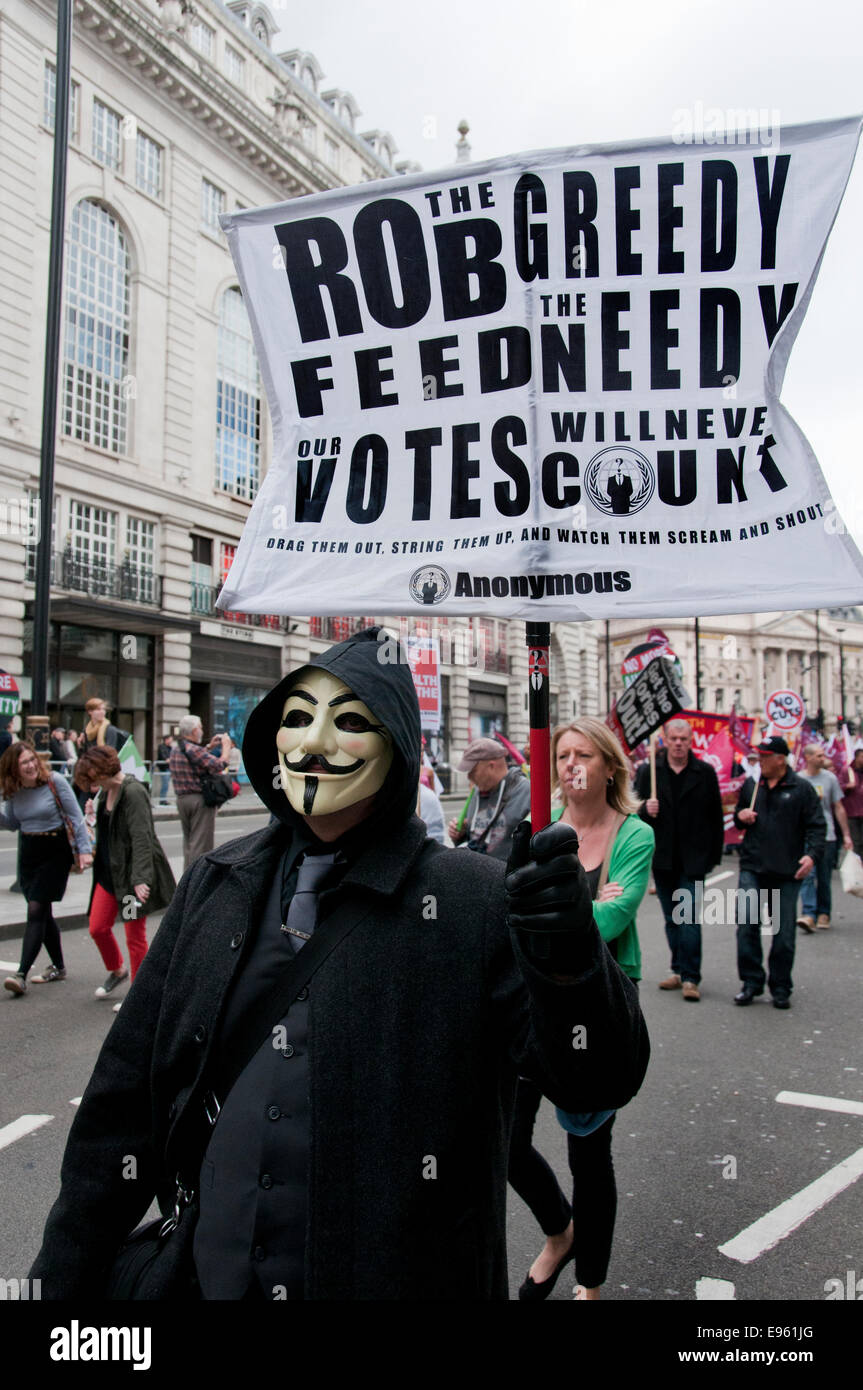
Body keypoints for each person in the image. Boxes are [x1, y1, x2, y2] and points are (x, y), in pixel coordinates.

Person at [31, 627, 648, 1301]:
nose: (314, 743)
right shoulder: (215, 883)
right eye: (297, 718)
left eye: (349, 722)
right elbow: (121, 1113)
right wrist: (59, 1286)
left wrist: (566, 950)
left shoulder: (474, 901)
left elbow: (597, 1075)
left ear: (399, 746)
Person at [509, 717, 654, 1301]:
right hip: (531, 1001)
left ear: (610, 766)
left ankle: (590, 1284)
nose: (571, 764)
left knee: (588, 1153)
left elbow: (611, 922)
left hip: (599, 1005)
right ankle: (559, 1231)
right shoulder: (538, 828)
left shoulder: (634, 835)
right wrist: (578, 910)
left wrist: (568, 917)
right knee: (507, 1140)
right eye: (563, 754)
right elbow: (516, 913)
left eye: (585, 755)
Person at [73, 746, 176, 1008]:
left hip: (130, 878)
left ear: (101, 771)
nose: (91, 784)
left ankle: (137, 994)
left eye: (92, 777)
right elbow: (109, 832)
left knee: (134, 935)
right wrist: (91, 816)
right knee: (97, 927)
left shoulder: (133, 792)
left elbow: (142, 838)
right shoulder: (107, 792)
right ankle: (118, 970)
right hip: (109, 876)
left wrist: (141, 879)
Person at [634, 719, 724, 1001]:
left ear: (690, 740)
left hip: (694, 858)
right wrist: (644, 809)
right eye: (673, 738)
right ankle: (677, 968)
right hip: (662, 857)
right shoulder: (649, 771)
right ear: (665, 739)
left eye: (684, 739)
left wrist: (713, 857)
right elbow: (631, 812)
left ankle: (690, 977)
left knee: (688, 918)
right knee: (671, 919)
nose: (678, 744)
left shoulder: (704, 772)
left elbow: (715, 816)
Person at [733, 736, 825, 1009]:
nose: (759, 762)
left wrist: (811, 856)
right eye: (758, 757)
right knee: (746, 927)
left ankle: (781, 985)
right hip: (752, 866)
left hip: (787, 871)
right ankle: (751, 982)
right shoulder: (752, 785)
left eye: (764, 757)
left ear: (780, 759)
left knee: (783, 932)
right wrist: (741, 817)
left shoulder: (802, 789)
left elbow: (817, 827)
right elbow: (738, 813)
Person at [1, 741, 93, 996]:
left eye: (32, 760)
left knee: (36, 908)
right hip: (29, 852)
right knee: (43, 912)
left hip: (55, 850)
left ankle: (20, 974)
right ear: (14, 769)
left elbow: (75, 816)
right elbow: (11, 823)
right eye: (23, 763)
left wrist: (84, 851)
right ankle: (59, 966)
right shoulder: (14, 789)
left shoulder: (54, 781)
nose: (30, 766)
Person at [796, 744, 852, 932]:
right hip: (804, 835)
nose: (823, 758)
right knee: (806, 875)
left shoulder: (830, 779)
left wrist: (845, 834)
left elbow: (838, 807)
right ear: (808, 757)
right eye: (819, 755)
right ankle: (809, 914)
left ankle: (824, 913)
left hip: (827, 836)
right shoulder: (798, 779)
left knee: (824, 876)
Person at [447, 737, 531, 860]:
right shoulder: (477, 790)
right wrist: (460, 834)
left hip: (506, 876)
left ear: (491, 766)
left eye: (472, 771)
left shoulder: (526, 792)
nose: (469, 777)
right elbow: (475, 837)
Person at [169, 715, 232, 870]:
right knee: (200, 845)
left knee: (189, 843)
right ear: (195, 730)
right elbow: (220, 764)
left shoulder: (177, 748)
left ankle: (187, 877)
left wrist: (209, 747)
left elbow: (195, 758)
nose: (202, 731)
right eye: (201, 728)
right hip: (199, 800)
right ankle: (195, 880)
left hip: (182, 800)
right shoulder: (194, 750)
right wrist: (226, 747)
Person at [842, 747, 863, 860]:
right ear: (856, 758)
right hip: (852, 812)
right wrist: (847, 786)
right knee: (856, 841)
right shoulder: (847, 771)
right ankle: (858, 864)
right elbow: (838, 787)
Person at [155, 734, 174, 805]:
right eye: (170, 739)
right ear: (166, 739)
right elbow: (164, 757)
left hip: (169, 768)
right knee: (165, 784)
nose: (171, 740)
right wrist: (167, 759)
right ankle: (162, 800)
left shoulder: (170, 748)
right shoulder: (161, 747)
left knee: (166, 784)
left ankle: (163, 799)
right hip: (164, 768)